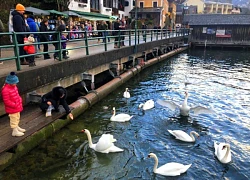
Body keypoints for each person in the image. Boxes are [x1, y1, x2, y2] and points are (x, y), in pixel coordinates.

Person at [1, 72, 26, 137]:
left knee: (17, 117)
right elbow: (6, 101)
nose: (16, 84)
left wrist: (19, 100)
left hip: (17, 105)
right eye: (15, 82)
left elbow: (17, 95)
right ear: (10, 83)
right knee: (13, 119)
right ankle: (14, 131)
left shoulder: (14, 87)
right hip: (12, 107)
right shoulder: (5, 90)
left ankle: (17, 127)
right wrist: (14, 104)